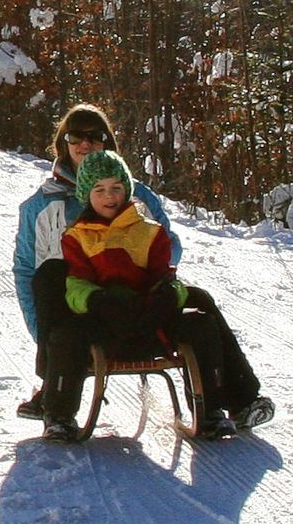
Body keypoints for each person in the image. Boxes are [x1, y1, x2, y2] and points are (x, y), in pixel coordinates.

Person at [26, 141, 276, 439]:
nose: (109, 197)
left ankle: (211, 410)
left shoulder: (149, 232)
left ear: (127, 190)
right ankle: (58, 415)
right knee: (66, 336)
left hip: (151, 320)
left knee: (202, 324)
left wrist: (167, 295)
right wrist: (95, 300)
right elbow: (75, 285)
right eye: (100, 190)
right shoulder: (77, 237)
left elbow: (167, 276)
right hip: (103, 325)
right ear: (86, 195)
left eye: (117, 188)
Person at [11, 103, 173, 421]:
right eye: (75, 137)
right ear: (63, 144)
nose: (85, 144)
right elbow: (26, 271)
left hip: (131, 301)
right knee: (51, 272)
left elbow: (169, 246)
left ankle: (217, 399)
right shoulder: (41, 205)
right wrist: (43, 340)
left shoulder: (135, 195)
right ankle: (53, 388)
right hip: (72, 310)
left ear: (106, 142)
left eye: (95, 136)